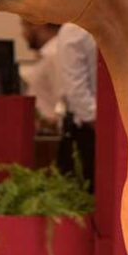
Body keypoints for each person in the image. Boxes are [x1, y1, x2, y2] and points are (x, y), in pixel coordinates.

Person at [51, 23, 97, 189]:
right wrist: (99, 122)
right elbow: (75, 88)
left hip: (114, 127)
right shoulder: (75, 29)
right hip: (88, 131)